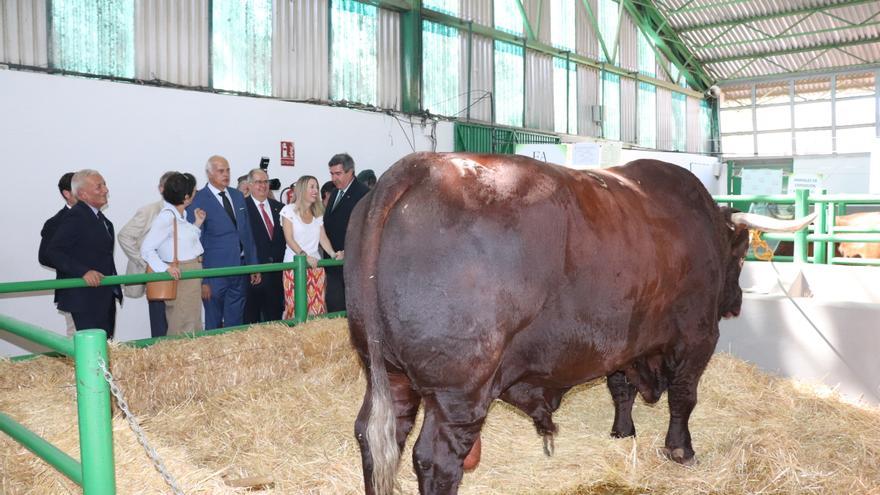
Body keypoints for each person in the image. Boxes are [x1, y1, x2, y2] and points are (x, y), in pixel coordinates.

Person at [46, 169, 121, 338]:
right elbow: (53, 251)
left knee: (102, 348)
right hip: (84, 299)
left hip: (101, 297)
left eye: (105, 184)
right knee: (87, 351)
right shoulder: (76, 216)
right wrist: (83, 272)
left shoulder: (102, 220)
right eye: (99, 186)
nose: (105, 190)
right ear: (82, 194)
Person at [187, 155, 260, 329]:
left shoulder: (237, 195)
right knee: (213, 321)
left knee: (236, 321)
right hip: (214, 273)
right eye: (221, 171)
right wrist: (203, 279)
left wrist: (254, 265)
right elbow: (195, 241)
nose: (226, 174)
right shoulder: (198, 199)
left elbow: (247, 232)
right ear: (209, 174)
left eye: (227, 170)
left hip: (240, 270)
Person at [141, 173, 206, 335]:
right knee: (183, 321)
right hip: (182, 273)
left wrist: (197, 223)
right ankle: (182, 358)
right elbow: (146, 249)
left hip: (192, 271)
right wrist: (164, 268)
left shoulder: (180, 216)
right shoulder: (166, 218)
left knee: (192, 320)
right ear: (186, 197)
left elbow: (183, 243)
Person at [117, 171, 177, 338]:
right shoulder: (149, 210)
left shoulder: (183, 211)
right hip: (157, 274)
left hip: (177, 271)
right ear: (161, 188)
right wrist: (146, 263)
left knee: (177, 320)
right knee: (160, 321)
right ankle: (160, 356)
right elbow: (124, 236)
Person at [280, 175, 342, 318]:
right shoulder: (288, 210)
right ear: (302, 190)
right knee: (296, 309)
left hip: (315, 266)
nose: (316, 191)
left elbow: (323, 237)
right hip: (294, 267)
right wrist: (304, 256)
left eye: (317, 187)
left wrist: (333, 254)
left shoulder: (317, 213)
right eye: (312, 187)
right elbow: (289, 238)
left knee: (317, 308)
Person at [323, 153, 369, 312]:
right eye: (331, 173)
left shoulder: (364, 194)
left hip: (351, 263)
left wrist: (348, 252)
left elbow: (366, 231)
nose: (334, 178)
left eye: (338, 174)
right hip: (332, 262)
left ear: (351, 172)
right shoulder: (335, 192)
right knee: (333, 307)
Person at [243, 168, 286, 323]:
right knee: (252, 320)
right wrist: (253, 267)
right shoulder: (242, 209)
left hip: (277, 274)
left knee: (275, 320)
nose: (263, 185)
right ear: (249, 185)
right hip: (254, 276)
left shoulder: (280, 208)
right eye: (258, 182)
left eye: (265, 181)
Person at [38, 172, 77, 336]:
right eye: (80, 188)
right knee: (76, 337)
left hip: (100, 290)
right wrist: (80, 268)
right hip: (73, 289)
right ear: (67, 194)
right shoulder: (55, 222)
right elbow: (45, 256)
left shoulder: (99, 218)